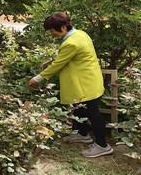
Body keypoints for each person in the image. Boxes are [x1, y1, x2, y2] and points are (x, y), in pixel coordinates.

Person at [29, 12, 113, 158]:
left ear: (62, 27)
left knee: (94, 114)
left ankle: (103, 145)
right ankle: (82, 134)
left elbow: (58, 64)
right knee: (79, 109)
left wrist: (38, 78)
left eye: (52, 30)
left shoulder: (71, 43)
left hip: (87, 83)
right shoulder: (80, 34)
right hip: (87, 80)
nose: (51, 34)